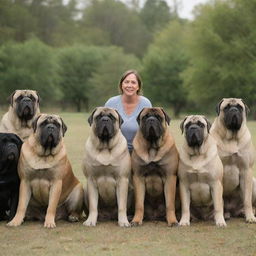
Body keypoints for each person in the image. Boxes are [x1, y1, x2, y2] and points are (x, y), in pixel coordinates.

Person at [105, 70, 152, 152]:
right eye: (126, 82)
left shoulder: (146, 104)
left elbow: (150, 132)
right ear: (121, 85)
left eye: (133, 82)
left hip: (138, 152)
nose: (129, 85)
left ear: (138, 87)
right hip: (114, 152)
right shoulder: (111, 103)